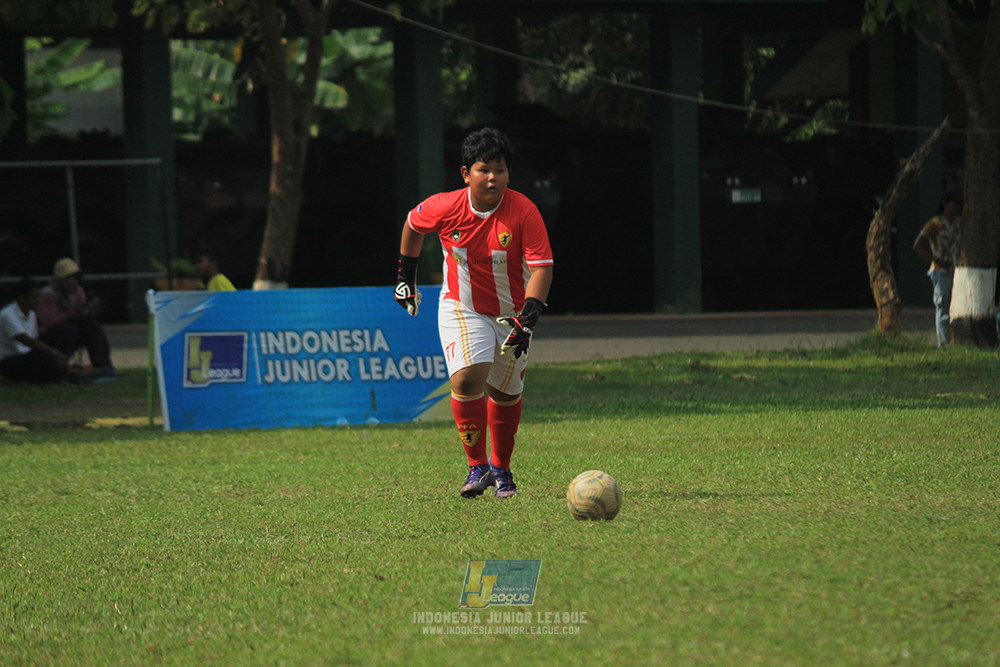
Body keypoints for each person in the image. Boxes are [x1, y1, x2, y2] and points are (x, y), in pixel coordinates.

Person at [394, 127, 554, 499]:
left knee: (505, 393)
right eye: (484, 169)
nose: (492, 177)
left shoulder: (524, 211)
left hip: (512, 314)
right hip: (461, 308)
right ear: (466, 174)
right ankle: (476, 466)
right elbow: (412, 225)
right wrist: (405, 277)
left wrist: (527, 318)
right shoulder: (445, 207)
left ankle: (502, 469)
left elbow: (542, 267)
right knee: (467, 380)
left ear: (508, 174)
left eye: (499, 169)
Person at [37, 257, 117, 375]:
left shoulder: (78, 291)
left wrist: (89, 311)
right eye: (68, 278)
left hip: (73, 327)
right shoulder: (49, 294)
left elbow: (82, 315)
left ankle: (103, 365)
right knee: (69, 329)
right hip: (53, 333)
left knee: (93, 327)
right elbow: (49, 321)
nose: (72, 282)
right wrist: (71, 313)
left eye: (75, 278)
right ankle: (59, 367)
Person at [0, 278, 88, 383]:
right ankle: (65, 372)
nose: (38, 300)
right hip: (10, 359)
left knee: (67, 330)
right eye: (34, 297)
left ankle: (61, 368)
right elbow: (26, 340)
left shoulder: (31, 313)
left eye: (38, 296)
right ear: (21, 298)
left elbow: (35, 338)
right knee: (42, 356)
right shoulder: (7, 315)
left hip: (28, 354)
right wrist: (53, 353)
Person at [913, 193, 961, 348]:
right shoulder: (934, 224)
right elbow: (918, 245)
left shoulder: (959, 223)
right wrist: (935, 259)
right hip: (941, 271)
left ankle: (954, 341)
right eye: (953, 203)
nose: (956, 206)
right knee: (943, 307)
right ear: (945, 204)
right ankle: (944, 345)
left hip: (957, 271)